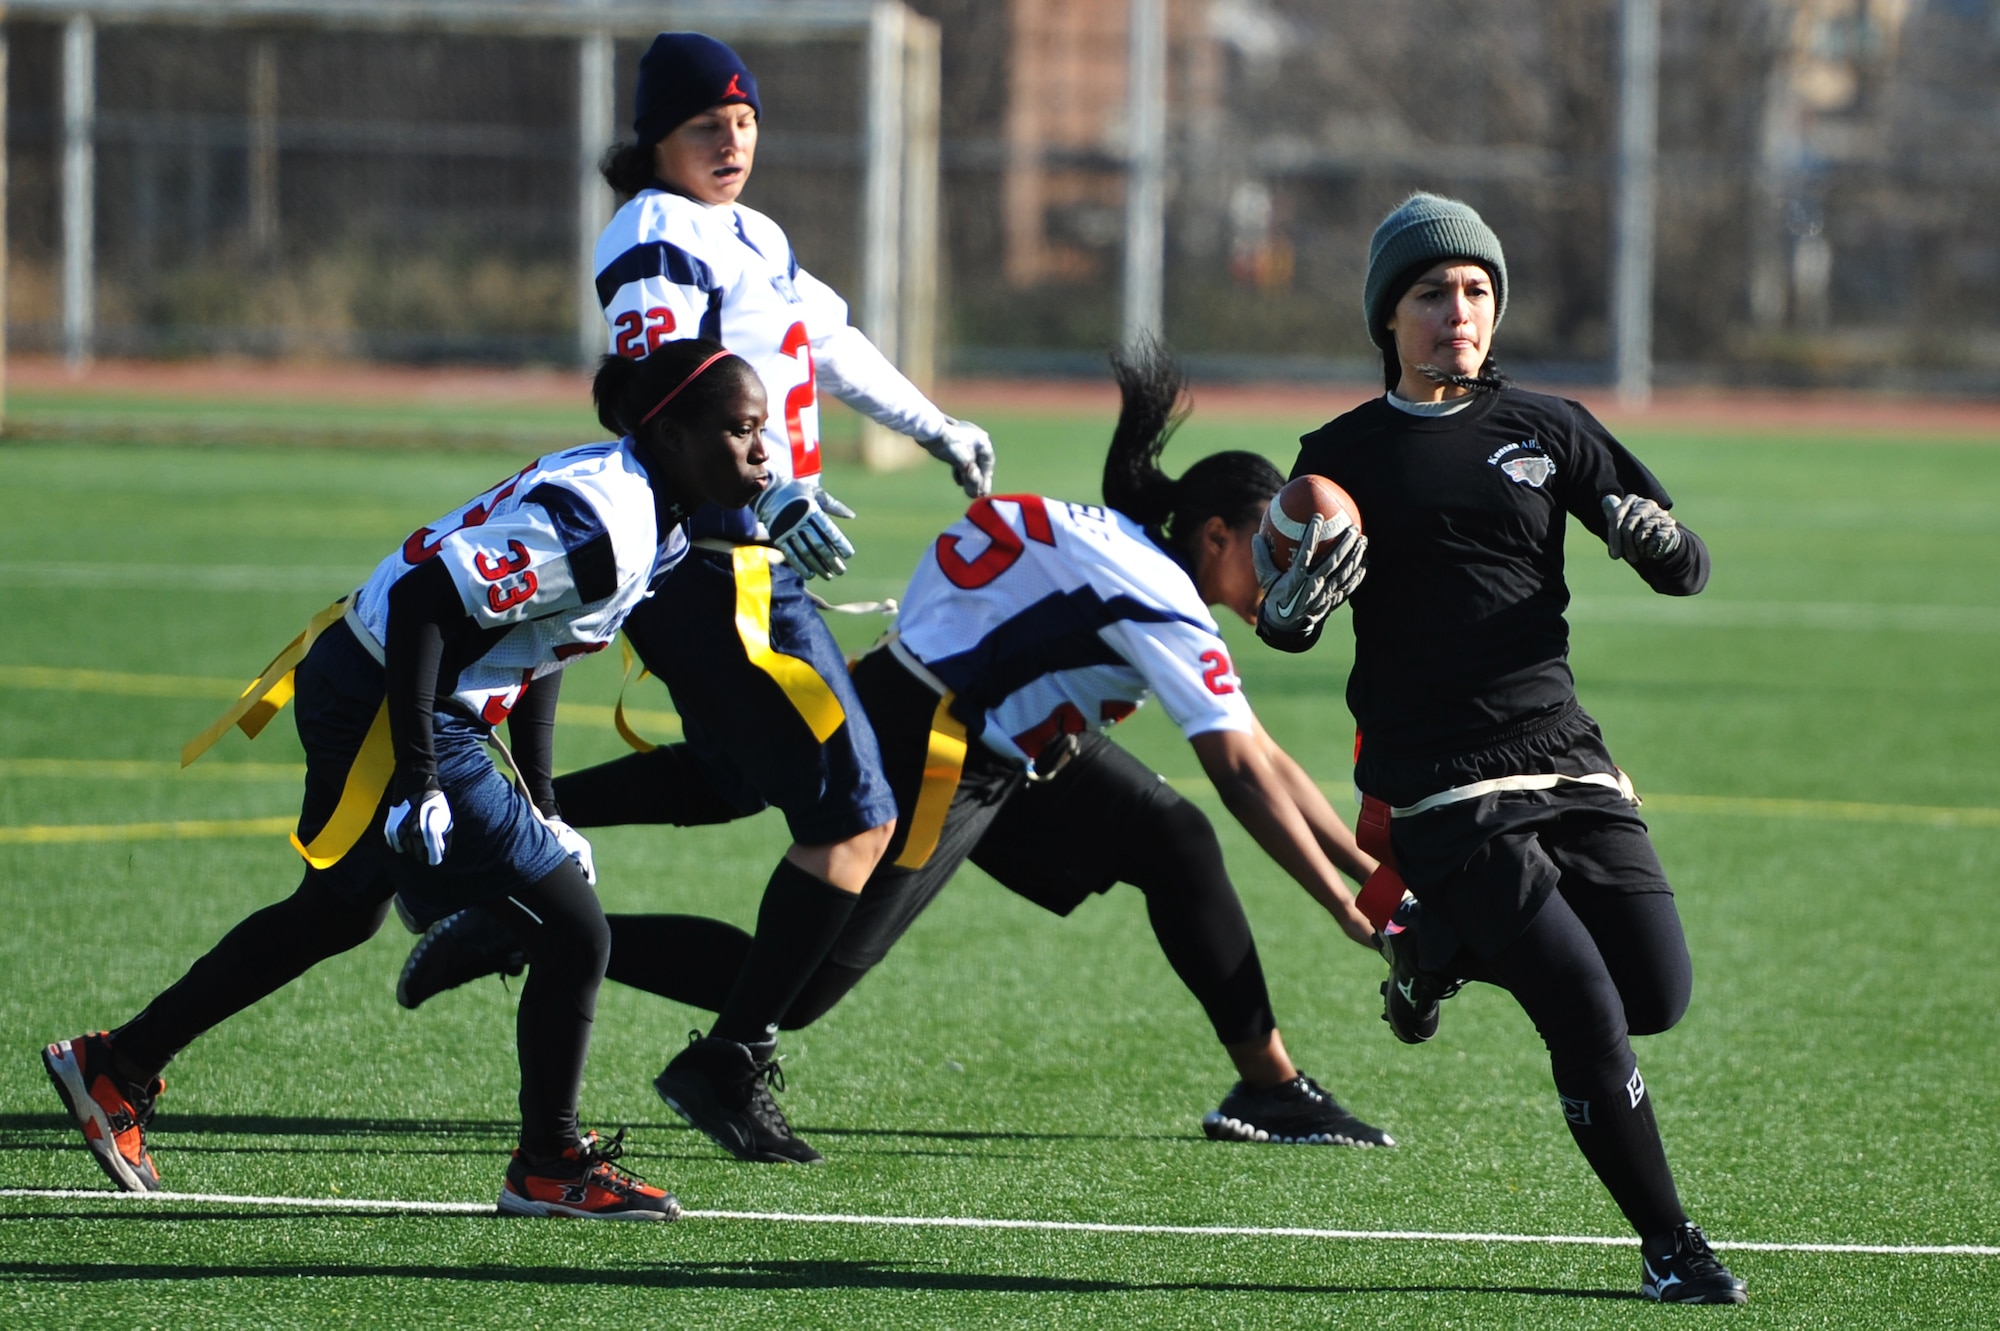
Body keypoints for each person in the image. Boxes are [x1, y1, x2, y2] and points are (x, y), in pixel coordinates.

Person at [400, 344, 1396, 1158]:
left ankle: (1270, 1086)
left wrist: (1366, 868)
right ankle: (528, 924)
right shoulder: (1157, 592)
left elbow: (1255, 750)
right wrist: (1349, 906)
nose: (1275, 572)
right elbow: (1239, 767)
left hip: (969, 722)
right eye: (1263, 544)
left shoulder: (1119, 549)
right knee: (803, 973)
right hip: (951, 747)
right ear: (1212, 531)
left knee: (1168, 838)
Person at [42, 339, 771, 1221]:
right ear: (672, 432)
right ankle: (550, 1163)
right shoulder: (611, 521)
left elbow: (543, 642)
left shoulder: (659, 516)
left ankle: (115, 1064)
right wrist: (423, 775)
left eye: (761, 430)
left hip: (388, 683)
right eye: (741, 430)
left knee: (337, 912)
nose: (763, 451)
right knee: (577, 930)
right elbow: (431, 602)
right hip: (394, 698)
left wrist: (542, 799)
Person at [1252, 192, 1746, 1304]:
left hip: (1561, 751)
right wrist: (1288, 607)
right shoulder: (1339, 456)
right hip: (1437, 780)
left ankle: (1433, 949)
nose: (1456, 312)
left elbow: (1683, 563)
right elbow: (1278, 618)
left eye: (1474, 291)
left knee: (1652, 995)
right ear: (1388, 314)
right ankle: (1670, 1242)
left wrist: (1659, 541)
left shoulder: (1549, 427)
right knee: (1578, 1001)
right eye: (1431, 293)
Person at [543, 31, 998, 1159]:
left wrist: (932, 424)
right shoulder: (651, 231)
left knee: (739, 775)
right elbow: (654, 390)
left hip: (748, 552)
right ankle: (726, 1055)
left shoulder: (750, 232)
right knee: (858, 811)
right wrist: (775, 484)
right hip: (713, 552)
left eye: (743, 120)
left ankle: (511, 854)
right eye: (707, 124)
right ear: (657, 138)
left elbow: (827, 344)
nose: (731, 139)